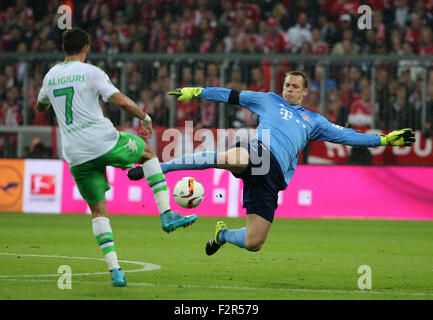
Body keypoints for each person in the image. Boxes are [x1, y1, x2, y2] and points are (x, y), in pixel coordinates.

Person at [128, 70, 416, 256]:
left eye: (294, 87)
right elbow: (232, 96)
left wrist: (385, 140)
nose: (288, 89)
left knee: (254, 242)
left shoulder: (313, 121)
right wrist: (199, 91)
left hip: (273, 178)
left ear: (305, 92)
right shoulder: (269, 100)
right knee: (226, 159)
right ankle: (156, 168)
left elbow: (348, 136)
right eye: (286, 85)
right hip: (258, 151)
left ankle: (223, 234)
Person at [36, 28, 197, 287]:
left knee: (99, 210)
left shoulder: (51, 76)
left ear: (63, 47)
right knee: (147, 152)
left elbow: (40, 105)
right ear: (86, 47)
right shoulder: (91, 72)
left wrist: (50, 101)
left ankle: (116, 270)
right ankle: (167, 214)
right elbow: (119, 100)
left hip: (75, 154)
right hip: (102, 140)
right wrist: (144, 117)